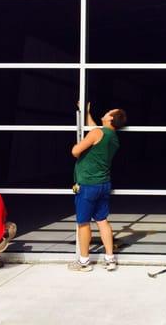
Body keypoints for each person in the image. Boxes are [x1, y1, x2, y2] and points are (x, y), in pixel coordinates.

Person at [68, 103, 126, 272]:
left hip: (88, 184)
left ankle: (84, 262)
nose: (106, 111)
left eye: (109, 111)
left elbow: (75, 151)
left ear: (110, 119)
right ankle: (110, 259)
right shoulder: (112, 136)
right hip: (103, 184)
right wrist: (86, 112)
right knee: (102, 221)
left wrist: (77, 148)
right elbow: (96, 129)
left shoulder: (97, 133)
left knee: (83, 223)